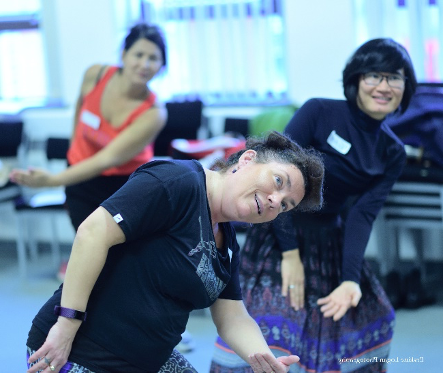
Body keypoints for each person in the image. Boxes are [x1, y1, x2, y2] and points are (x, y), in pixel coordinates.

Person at [24, 131, 325, 373]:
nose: (276, 201)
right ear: (247, 160)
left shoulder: (228, 243)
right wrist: (66, 324)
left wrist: (263, 358)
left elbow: (231, 314)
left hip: (146, 359)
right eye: (278, 182)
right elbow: (92, 233)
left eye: (285, 204)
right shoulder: (177, 181)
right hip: (82, 348)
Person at [210, 38, 418, 373]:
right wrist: (290, 255)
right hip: (279, 236)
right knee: (275, 329)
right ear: (356, 79)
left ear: (405, 87)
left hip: (329, 242)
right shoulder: (318, 111)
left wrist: (351, 279)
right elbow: (273, 180)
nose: (383, 86)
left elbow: (362, 215)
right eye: (373, 76)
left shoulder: (391, 151)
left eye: (394, 77)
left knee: (373, 316)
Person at [10, 23, 167, 234]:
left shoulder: (154, 113)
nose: (144, 64)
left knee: (118, 255)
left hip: (123, 186)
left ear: (161, 65)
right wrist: (75, 150)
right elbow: (79, 107)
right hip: (79, 179)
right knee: (86, 242)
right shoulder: (96, 75)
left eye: (153, 58)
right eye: (138, 54)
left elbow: (108, 158)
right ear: (124, 54)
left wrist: (53, 180)